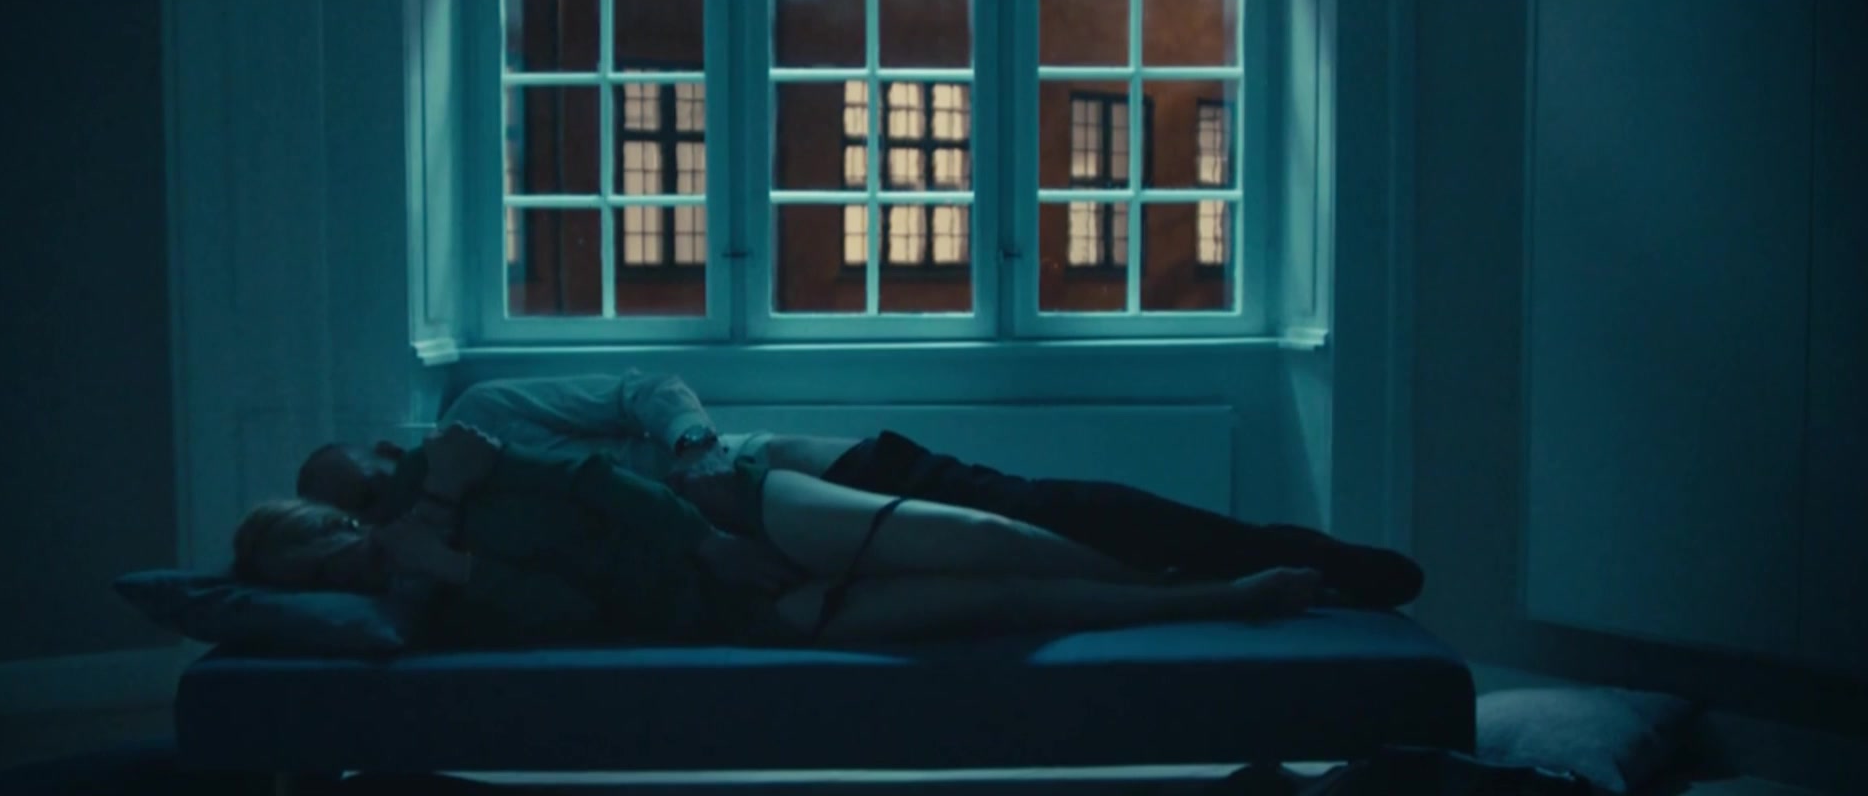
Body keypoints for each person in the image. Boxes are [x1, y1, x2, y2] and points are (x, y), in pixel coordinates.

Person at [295, 370, 1423, 609]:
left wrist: (691, 447)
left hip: (771, 470)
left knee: (1037, 505)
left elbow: (645, 387)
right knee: (1001, 569)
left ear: (386, 444)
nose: (389, 484)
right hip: (730, 553)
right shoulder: (426, 533)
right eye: (368, 498)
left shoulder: (483, 416)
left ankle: (1291, 551)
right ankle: (1216, 584)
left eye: (379, 465)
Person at [237, 424, 1328, 647]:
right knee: (993, 598)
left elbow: (597, 478)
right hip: (726, 608)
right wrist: (456, 564)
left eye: (346, 517)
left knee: (974, 529)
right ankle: (1212, 598)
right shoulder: (422, 599)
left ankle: (1162, 572)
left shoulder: (455, 458)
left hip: (735, 519)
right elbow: (570, 613)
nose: (358, 534)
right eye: (330, 557)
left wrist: (705, 537)